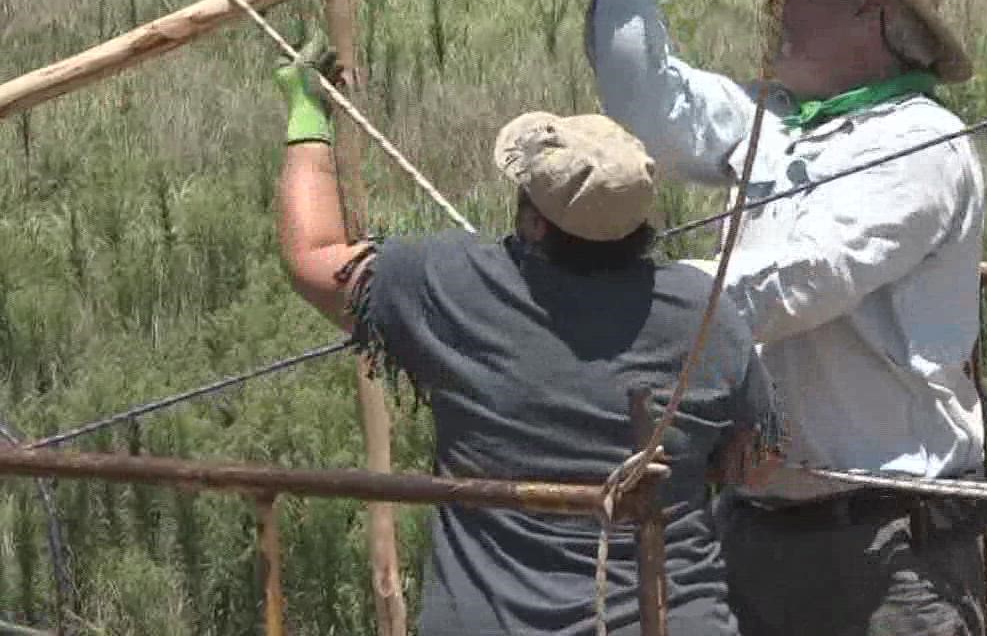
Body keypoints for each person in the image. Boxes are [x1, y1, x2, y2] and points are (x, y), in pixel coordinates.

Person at [575, 0, 987, 635]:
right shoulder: (771, 118)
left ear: (871, 9)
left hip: (885, 553)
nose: (775, 6)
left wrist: (621, 302)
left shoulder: (921, 145)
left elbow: (798, 278)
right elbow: (646, 98)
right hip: (762, 531)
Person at [268, 38, 776, 636]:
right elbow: (756, 464)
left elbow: (313, 256)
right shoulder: (704, 311)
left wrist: (307, 115)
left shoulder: (455, 285)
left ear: (534, 221)